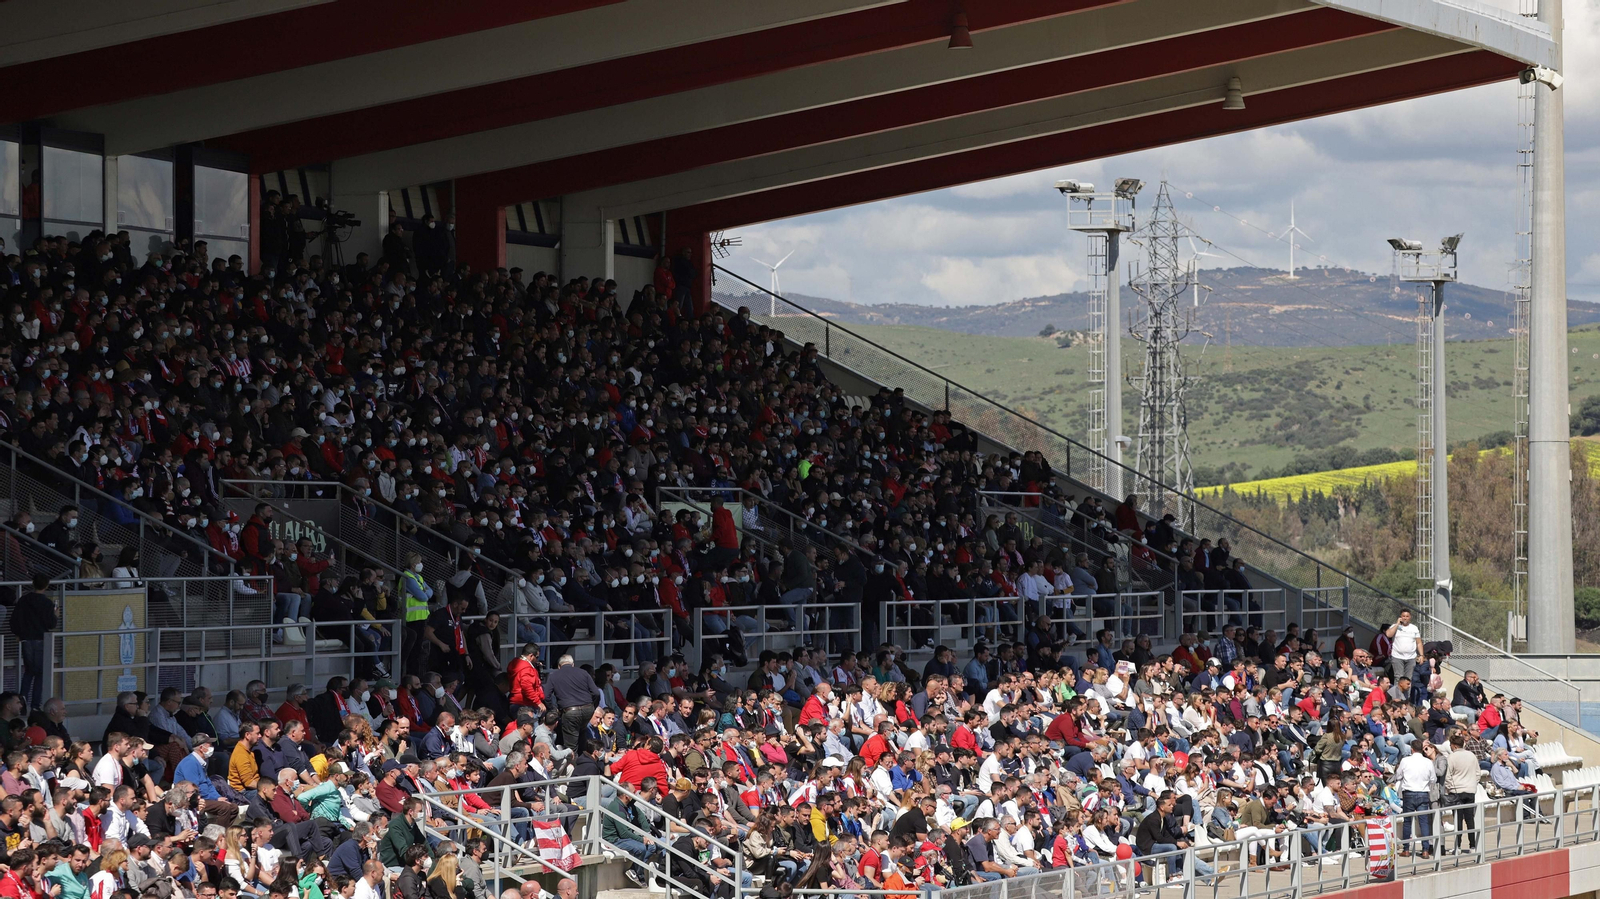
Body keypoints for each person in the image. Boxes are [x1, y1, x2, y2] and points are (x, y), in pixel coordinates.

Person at [10, 574, 57, 710]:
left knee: (29, 671)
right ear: (47, 585)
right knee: (40, 673)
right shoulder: (47, 603)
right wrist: (56, 616)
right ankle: (35, 705)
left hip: (26, 639)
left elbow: (14, 620)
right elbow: (51, 624)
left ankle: (21, 704)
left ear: (33, 583)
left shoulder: (23, 600)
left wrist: (18, 633)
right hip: (41, 639)